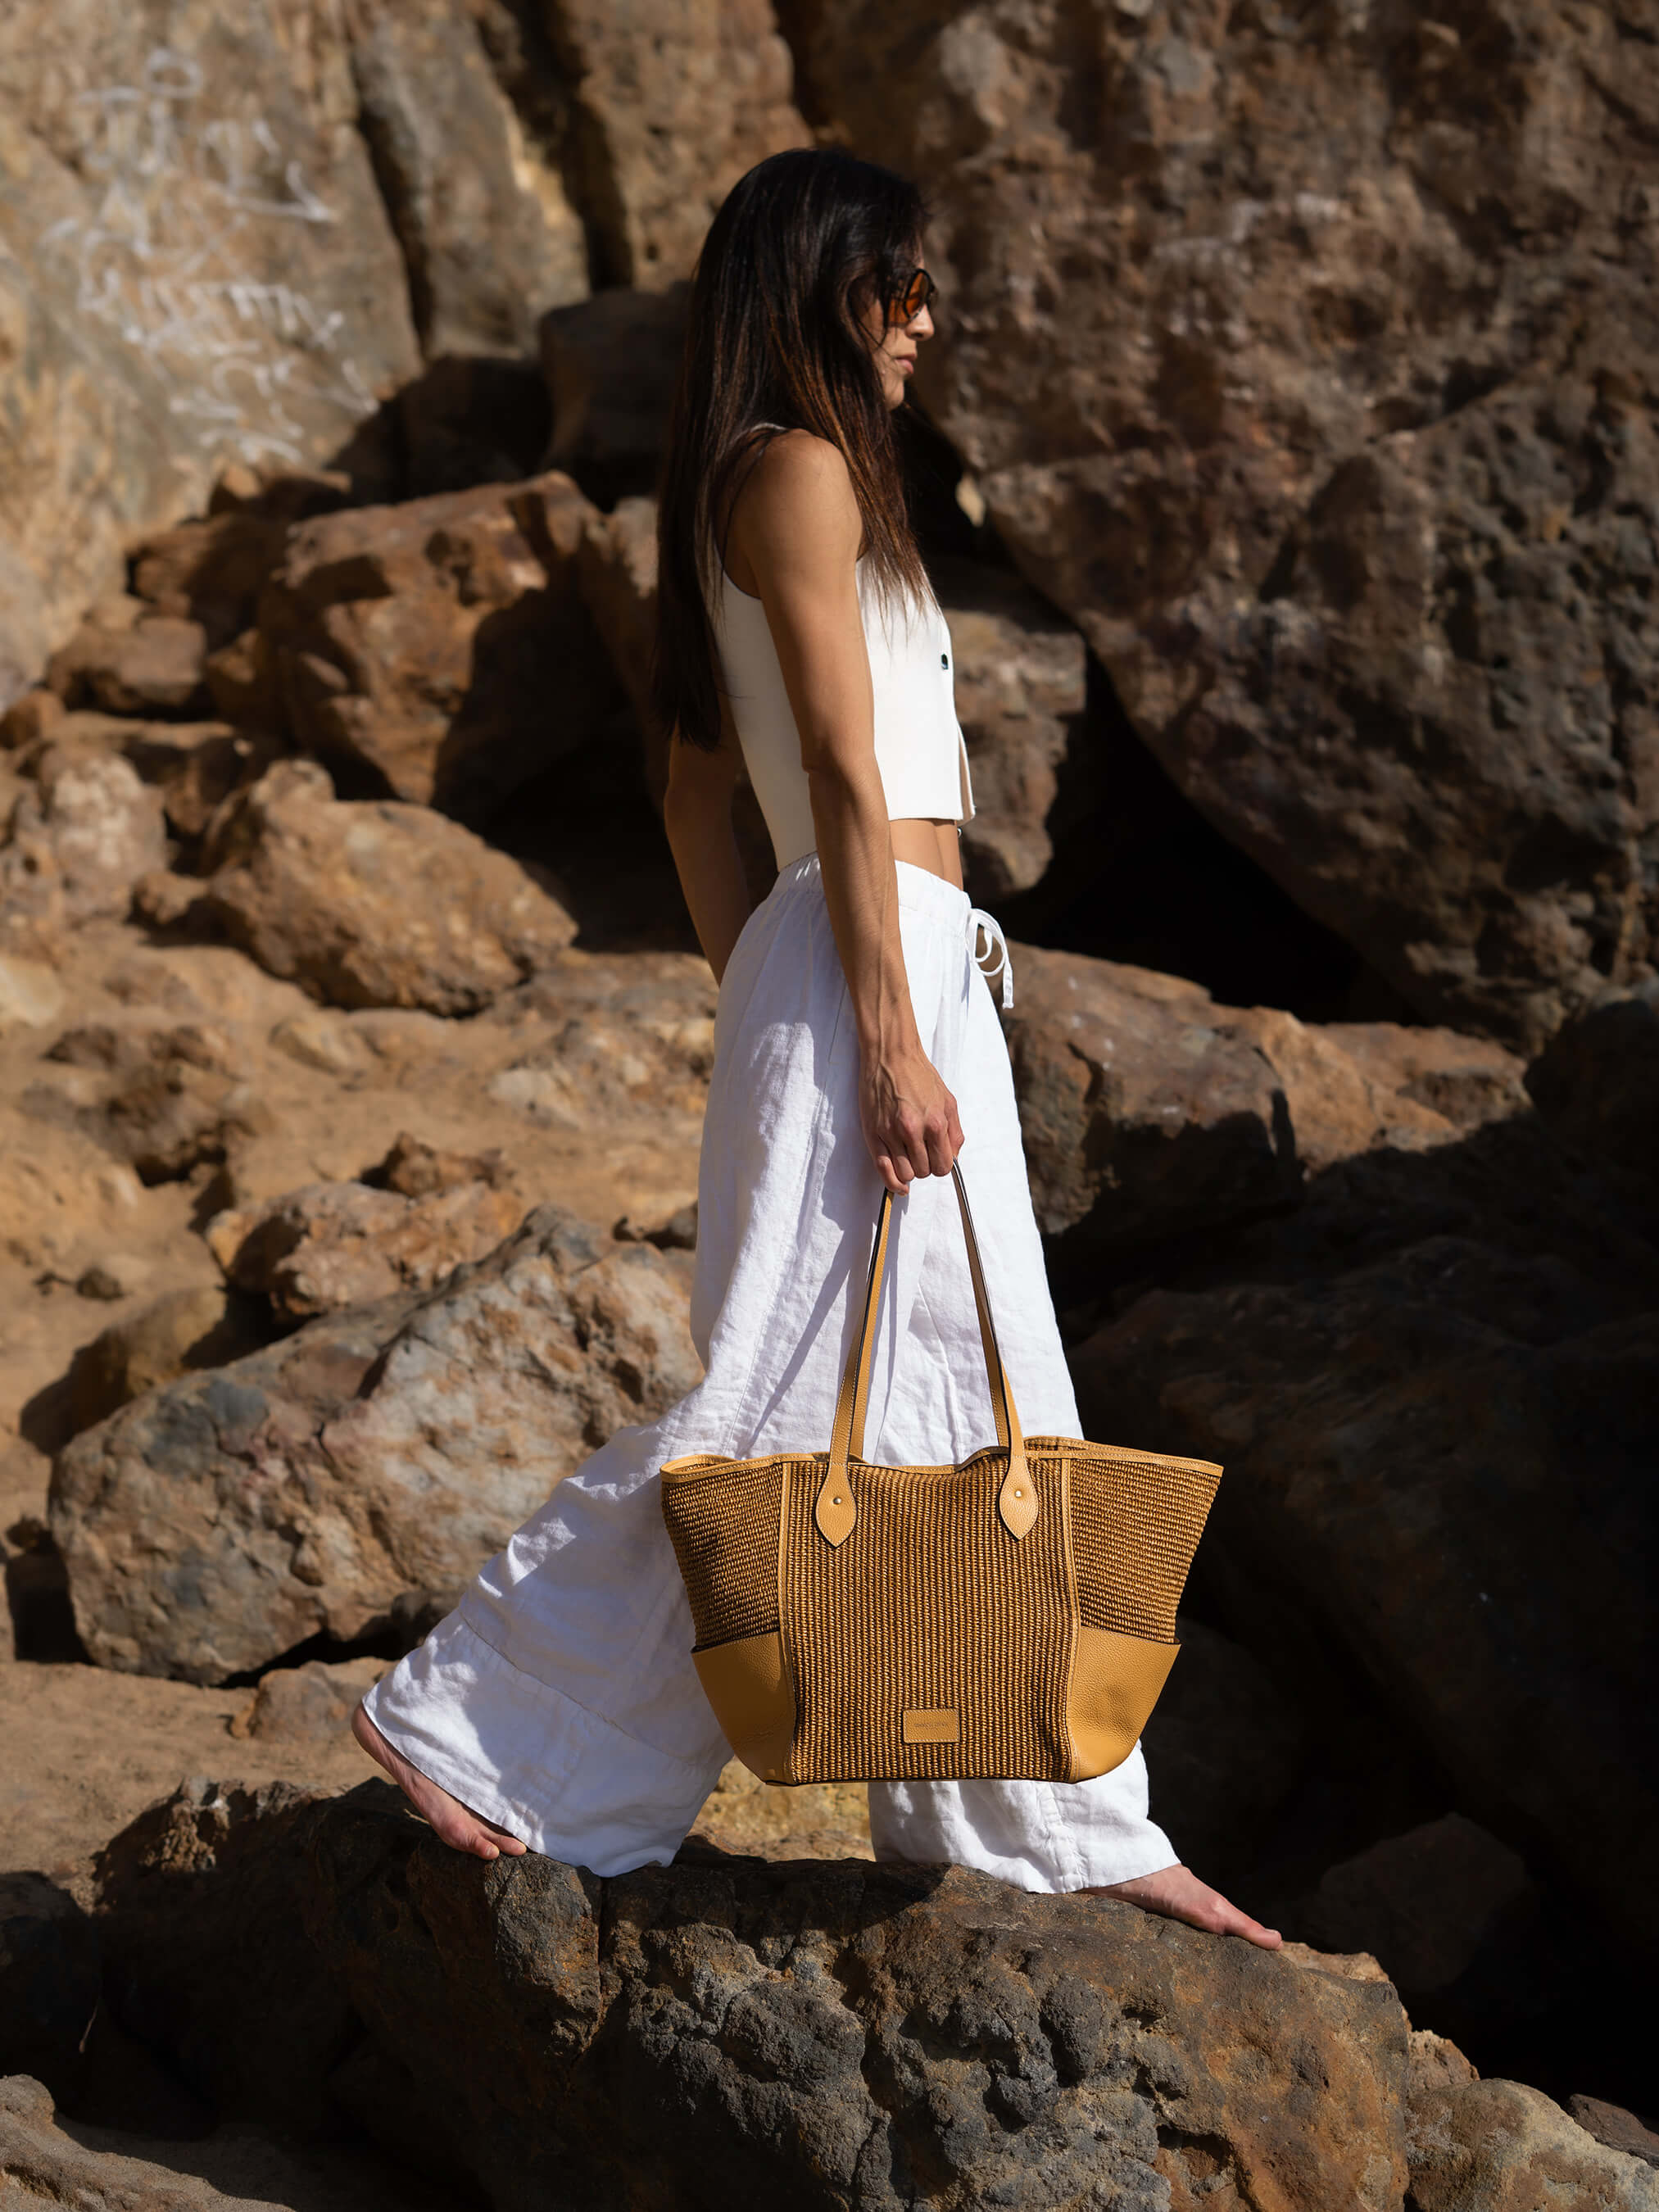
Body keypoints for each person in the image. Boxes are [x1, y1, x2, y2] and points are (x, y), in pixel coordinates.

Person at [353, 147, 1280, 1947]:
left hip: (881, 964)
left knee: (963, 1401)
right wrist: (853, 1021)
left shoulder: (774, 481)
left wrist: (772, 987)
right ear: (819, 284)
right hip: (880, 974)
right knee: (779, 1415)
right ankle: (474, 1726)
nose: (923, 318)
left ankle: (1053, 1826)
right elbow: (835, 783)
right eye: (896, 284)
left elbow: (698, 789)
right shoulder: (792, 471)